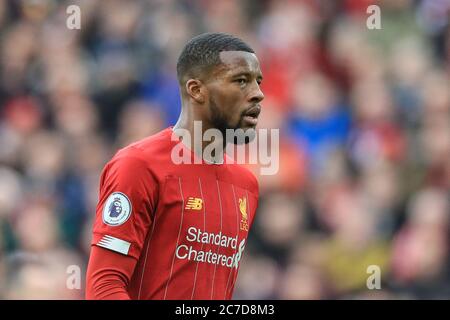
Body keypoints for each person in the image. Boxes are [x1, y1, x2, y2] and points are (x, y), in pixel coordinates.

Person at [85, 32, 265, 299]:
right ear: (196, 90)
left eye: (258, 82)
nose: (258, 94)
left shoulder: (246, 185)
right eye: (241, 81)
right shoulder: (138, 166)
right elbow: (105, 286)